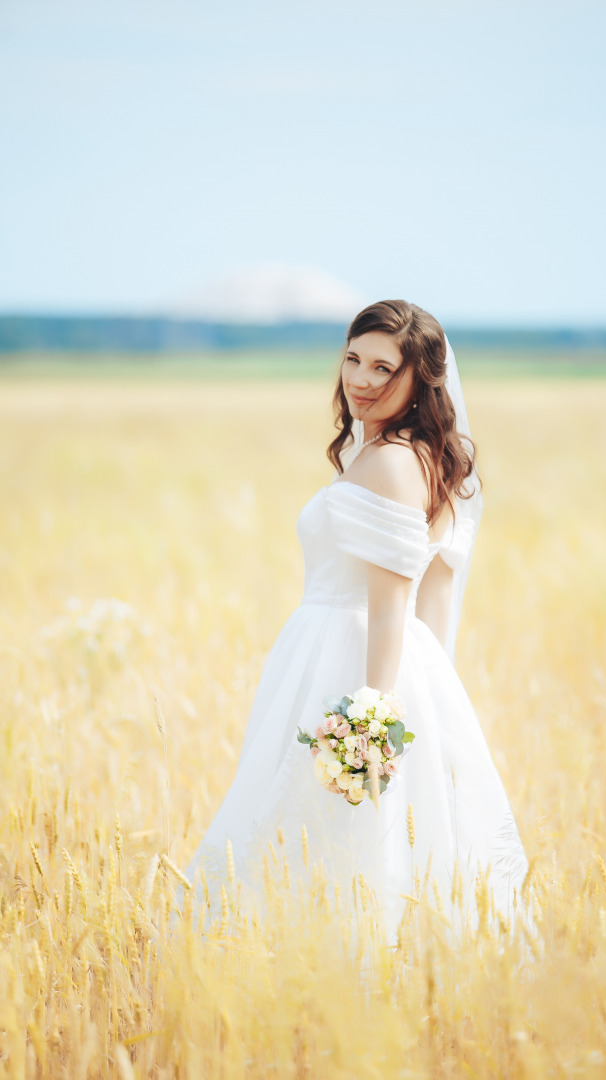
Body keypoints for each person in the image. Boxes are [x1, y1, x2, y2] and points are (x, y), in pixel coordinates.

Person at [182, 300, 528, 935]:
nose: (361, 379)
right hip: (346, 652)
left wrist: (371, 714)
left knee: (324, 832)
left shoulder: (392, 462)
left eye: (383, 368)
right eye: (352, 359)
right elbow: (434, 596)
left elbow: (395, 601)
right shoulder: (410, 454)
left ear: (419, 380)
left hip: (350, 661)